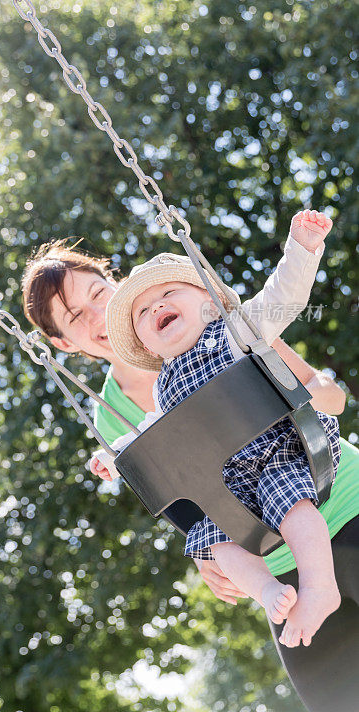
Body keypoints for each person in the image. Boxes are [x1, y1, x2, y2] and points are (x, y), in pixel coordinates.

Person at [21, 235, 358, 711]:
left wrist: (299, 397)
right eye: (76, 317)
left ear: (115, 283)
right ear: (62, 342)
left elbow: (330, 396)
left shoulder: (217, 325)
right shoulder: (111, 416)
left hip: (343, 498)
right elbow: (184, 500)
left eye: (98, 294)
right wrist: (207, 560)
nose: (97, 317)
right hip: (280, 567)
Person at [98, 209, 340, 648]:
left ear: (210, 301)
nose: (157, 307)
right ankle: (268, 592)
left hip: (281, 452)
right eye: (144, 313)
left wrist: (302, 248)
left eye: (169, 293)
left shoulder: (234, 332)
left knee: (293, 505)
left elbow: (282, 295)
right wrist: (113, 457)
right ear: (146, 346)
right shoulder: (164, 387)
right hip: (231, 486)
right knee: (213, 541)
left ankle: (320, 585)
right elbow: (151, 436)